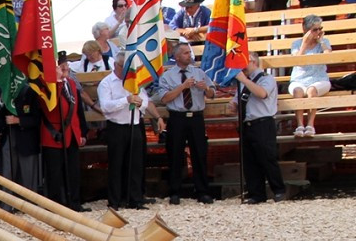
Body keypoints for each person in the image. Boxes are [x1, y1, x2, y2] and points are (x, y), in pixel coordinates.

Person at [98, 51, 166, 209]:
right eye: (124, 67)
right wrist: (125, 100)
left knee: (135, 164)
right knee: (116, 164)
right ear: (116, 65)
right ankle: (115, 200)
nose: (127, 71)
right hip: (117, 127)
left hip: (134, 125)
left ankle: (135, 198)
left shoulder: (135, 82)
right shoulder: (107, 83)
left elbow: (145, 102)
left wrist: (140, 102)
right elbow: (106, 107)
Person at [156, 42, 215, 204]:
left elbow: (212, 94)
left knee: (199, 153)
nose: (189, 55)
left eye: (189, 52)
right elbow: (164, 98)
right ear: (176, 57)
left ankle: (202, 191)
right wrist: (182, 86)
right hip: (177, 118)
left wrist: (205, 89)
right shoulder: (167, 76)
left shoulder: (199, 72)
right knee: (175, 154)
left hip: (196, 117)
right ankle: (175, 191)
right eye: (185, 53)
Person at [228, 51, 286, 203]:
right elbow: (237, 101)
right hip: (247, 124)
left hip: (262, 123)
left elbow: (262, 93)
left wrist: (245, 81)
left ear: (252, 61)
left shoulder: (266, 79)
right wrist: (233, 105)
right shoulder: (244, 82)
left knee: (267, 158)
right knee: (250, 161)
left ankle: (279, 190)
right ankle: (256, 193)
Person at [40, 55, 84, 210]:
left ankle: (75, 203)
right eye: (60, 66)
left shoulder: (71, 83)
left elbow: (76, 111)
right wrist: (56, 82)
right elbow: (50, 106)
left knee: (73, 171)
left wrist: (79, 133)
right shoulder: (47, 85)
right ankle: (56, 206)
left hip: (71, 133)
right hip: (54, 134)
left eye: (65, 65)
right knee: (54, 174)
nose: (64, 68)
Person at [290, 15, 332, 137]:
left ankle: (310, 125)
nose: (318, 32)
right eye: (315, 30)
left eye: (320, 29)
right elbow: (297, 61)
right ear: (306, 30)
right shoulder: (296, 43)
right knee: (297, 91)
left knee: (312, 90)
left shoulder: (324, 42)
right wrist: (304, 42)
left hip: (319, 78)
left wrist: (321, 41)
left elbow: (328, 55)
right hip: (299, 78)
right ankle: (299, 125)